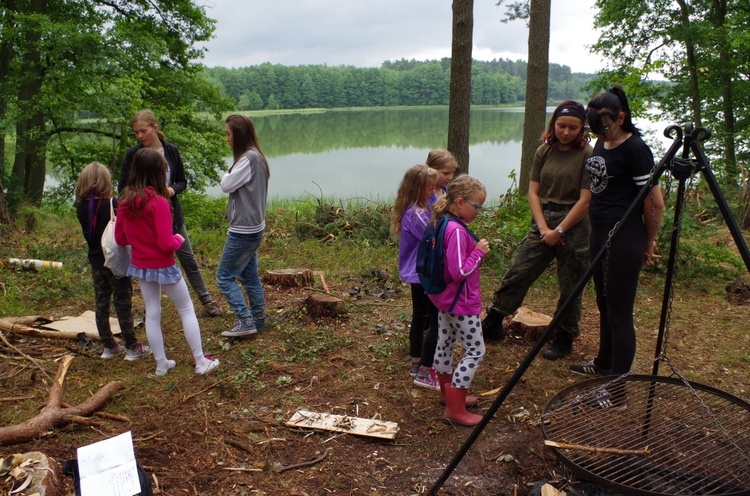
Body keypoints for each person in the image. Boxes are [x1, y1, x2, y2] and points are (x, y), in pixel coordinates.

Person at [569, 86, 664, 409]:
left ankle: (617, 392)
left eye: (604, 125)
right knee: (604, 303)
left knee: (620, 313)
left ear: (621, 117)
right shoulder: (602, 139)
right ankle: (605, 363)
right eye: (593, 126)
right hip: (600, 232)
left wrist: (649, 241)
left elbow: (655, 202)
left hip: (624, 237)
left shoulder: (636, 149)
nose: (598, 132)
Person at [482, 101, 593, 360]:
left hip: (575, 225)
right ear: (553, 124)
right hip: (544, 219)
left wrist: (560, 230)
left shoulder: (588, 154)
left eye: (573, 128)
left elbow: (585, 200)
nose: (566, 132)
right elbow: (533, 191)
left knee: (571, 284)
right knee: (519, 269)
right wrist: (544, 227)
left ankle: (565, 336)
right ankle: (494, 319)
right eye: (561, 126)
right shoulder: (545, 150)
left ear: (582, 128)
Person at [116, 148, 220, 376]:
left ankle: (161, 364)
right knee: (186, 309)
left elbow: (120, 238)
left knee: (153, 312)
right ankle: (201, 361)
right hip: (163, 265)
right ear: (157, 173)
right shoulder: (159, 203)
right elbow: (165, 244)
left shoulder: (124, 202)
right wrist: (178, 239)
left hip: (141, 266)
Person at [119, 110, 222, 318]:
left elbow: (182, 181)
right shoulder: (133, 155)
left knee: (188, 259)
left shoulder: (171, 151)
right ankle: (152, 308)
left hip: (172, 215)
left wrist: (171, 190)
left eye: (143, 131)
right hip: (144, 218)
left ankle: (207, 300)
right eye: (136, 133)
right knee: (148, 261)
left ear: (155, 128)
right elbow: (123, 187)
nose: (139, 136)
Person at [428, 174, 490, 427]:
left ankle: (448, 395)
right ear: (461, 202)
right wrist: (478, 252)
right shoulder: (455, 230)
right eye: (477, 206)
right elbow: (459, 272)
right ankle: (455, 409)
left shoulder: (446, 222)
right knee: (475, 351)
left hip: (445, 300)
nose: (479, 211)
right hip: (461, 303)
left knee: (445, 343)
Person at [75, 162, 150, 361]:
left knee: (101, 303)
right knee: (123, 302)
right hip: (116, 261)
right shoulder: (112, 204)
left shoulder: (81, 207)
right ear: (106, 181)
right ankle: (132, 346)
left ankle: (109, 346)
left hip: (96, 261)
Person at [216, 114, 270, 338]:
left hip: (243, 230)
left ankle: (246, 320)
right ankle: (258, 320)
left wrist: (229, 169)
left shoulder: (248, 159)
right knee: (249, 277)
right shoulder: (257, 156)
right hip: (254, 227)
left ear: (238, 135)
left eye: (228, 134)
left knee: (224, 277)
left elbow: (226, 185)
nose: (226, 138)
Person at [390, 164, 440, 390]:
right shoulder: (416, 214)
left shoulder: (416, 207)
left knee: (420, 316)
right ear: (417, 189)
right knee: (434, 319)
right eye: (430, 188)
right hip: (422, 274)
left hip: (416, 273)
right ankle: (425, 368)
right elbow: (433, 236)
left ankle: (416, 361)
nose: (433, 191)